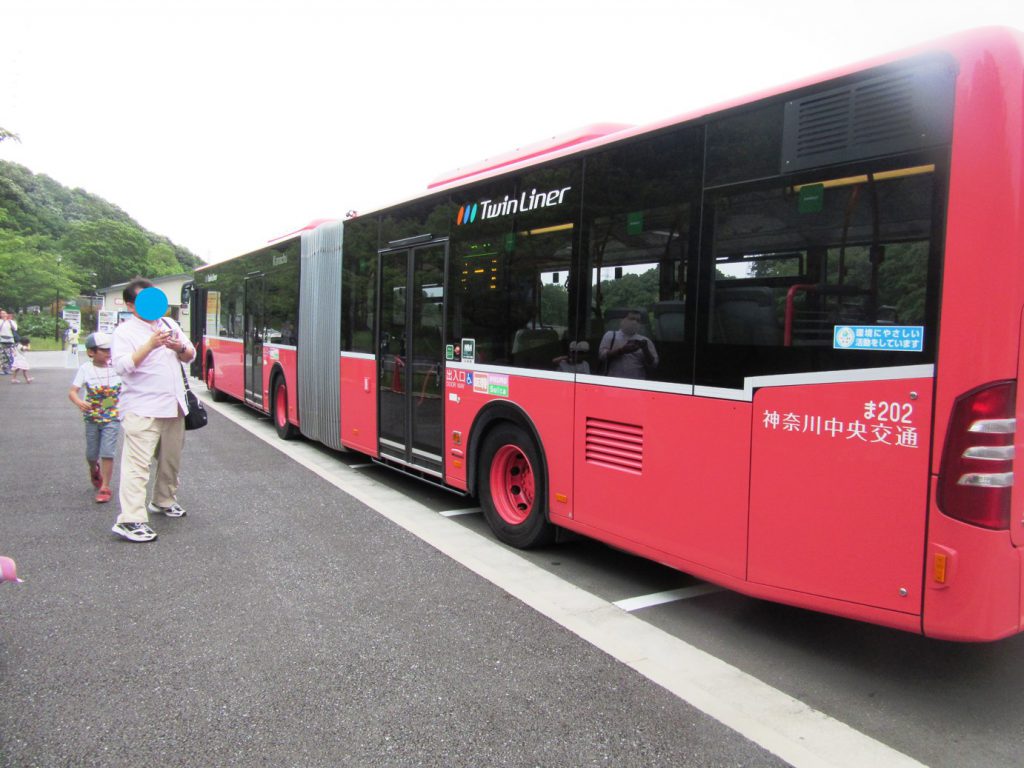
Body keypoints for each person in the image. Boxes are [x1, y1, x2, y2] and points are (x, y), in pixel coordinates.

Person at [110, 278, 196, 543]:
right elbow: (122, 367)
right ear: (130, 305)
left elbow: (190, 353)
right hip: (142, 407)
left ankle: (163, 500)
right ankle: (130, 520)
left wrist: (178, 346)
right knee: (137, 465)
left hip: (174, 404)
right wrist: (150, 345)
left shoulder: (169, 325)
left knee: (171, 460)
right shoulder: (124, 332)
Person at [68, 333, 122, 503]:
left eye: (110, 350)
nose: (108, 353)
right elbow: (72, 392)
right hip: (91, 416)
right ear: (91, 352)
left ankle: (105, 486)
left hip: (112, 416)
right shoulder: (86, 369)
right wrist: (79, 402)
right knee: (91, 453)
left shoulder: (117, 367)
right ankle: (93, 468)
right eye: (104, 350)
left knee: (107, 451)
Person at [598, 310, 659, 379]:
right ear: (623, 320)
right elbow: (601, 355)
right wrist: (622, 350)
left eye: (638, 321)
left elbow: (654, 365)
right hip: (613, 381)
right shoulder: (610, 335)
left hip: (636, 383)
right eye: (632, 319)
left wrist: (645, 349)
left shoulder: (645, 341)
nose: (635, 322)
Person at [0, 310, 18, 375]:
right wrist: (3, 322)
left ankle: (9, 368)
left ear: (7, 314)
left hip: (10, 339)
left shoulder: (11, 321)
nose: (3, 314)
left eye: (5, 313)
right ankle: (3, 369)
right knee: (2, 355)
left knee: (10, 354)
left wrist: (9, 321)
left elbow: (15, 329)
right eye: (2, 313)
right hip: (1, 339)